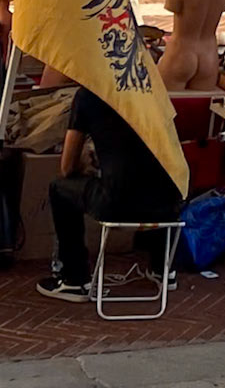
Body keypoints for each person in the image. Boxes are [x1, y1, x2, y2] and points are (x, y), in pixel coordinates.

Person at [36, 85, 184, 304]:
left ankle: (74, 279)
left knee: (60, 188)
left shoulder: (90, 94)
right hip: (170, 201)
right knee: (152, 183)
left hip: (119, 203)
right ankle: (164, 268)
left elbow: (67, 167)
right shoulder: (152, 88)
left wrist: (87, 164)